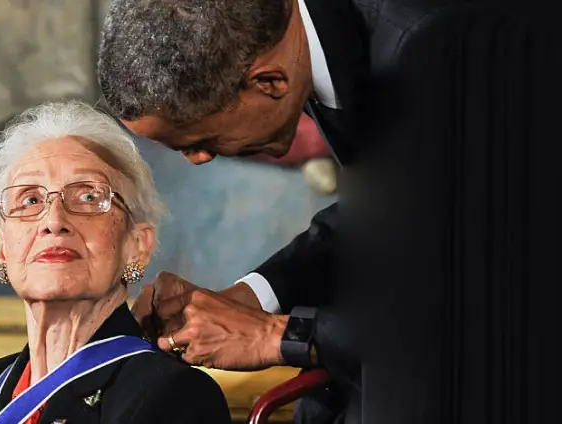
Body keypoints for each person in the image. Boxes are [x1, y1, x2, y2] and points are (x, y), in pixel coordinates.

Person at [97, 0, 468, 422]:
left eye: (197, 139)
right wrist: (250, 298)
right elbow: (395, 215)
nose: (198, 160)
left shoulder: (445, 51)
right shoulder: (300, 50)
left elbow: (500, 299)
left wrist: (276, 336)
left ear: (270, 82)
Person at [0, 102, 232, 424]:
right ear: (1, 249)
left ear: (137, 246)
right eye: (30, 200)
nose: (54, 221)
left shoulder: (173, 398)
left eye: (88, 197)